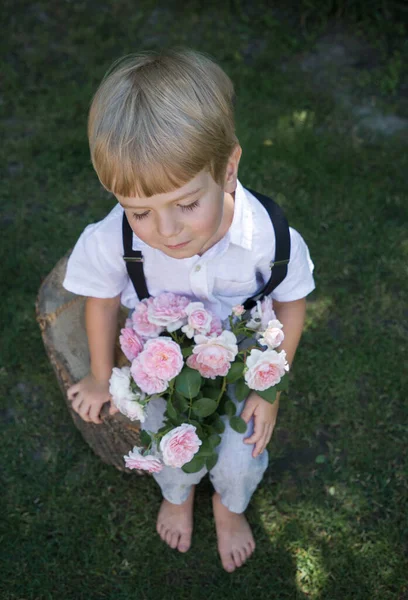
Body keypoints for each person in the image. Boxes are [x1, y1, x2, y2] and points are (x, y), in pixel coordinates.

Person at [63, 49, 315, 573]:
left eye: (185, 204)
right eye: (140, 211)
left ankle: (229, 506)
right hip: (163, 367)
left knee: (241, 458)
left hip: (243, 364)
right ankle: (177, 496)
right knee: (165, 445)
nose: (166, 230)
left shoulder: (268, 237)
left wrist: (269, 391)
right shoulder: (114, 239)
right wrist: (99, 374)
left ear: (227, 169)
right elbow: (102, 298)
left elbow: (292, 303)